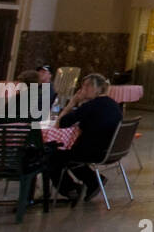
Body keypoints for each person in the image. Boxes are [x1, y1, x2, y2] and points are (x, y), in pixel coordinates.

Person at [45, 73, 123, 202]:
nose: (83, 89)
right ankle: (92, 181)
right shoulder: (113, 105)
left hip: (92, 151)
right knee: (65, 155)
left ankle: (71, 189)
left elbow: (61, 123)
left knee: (51, 156)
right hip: (110, 149)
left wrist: (72, 103)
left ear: (98, 89)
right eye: (83, 86)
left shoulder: (91, 106)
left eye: (88, 86)